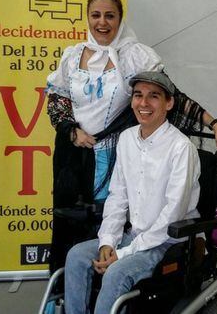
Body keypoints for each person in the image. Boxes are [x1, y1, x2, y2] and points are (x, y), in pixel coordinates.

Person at [46, 0, 217, 272]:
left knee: (108, 218)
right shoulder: (72, 56)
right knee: (69, 225)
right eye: (95, 15)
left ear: (120, 20)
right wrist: (72, 130)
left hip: (110, 154)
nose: (102, 22)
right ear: (87, 18)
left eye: (110, 16)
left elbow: (171, 96)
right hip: (74, 155)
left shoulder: (132, 55)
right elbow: (57, 98)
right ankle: (68, 289)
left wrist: (213, 123)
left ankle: (110, 280)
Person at [64, 71, 201, 314]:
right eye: (138, 95)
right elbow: (118, 195)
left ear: (169, 103)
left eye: (154, 96)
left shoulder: (182, 148)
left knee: (116, 273)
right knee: (76, 256)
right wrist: (108, 240)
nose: (144, 103)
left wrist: (124, 253)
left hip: (166, 243)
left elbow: (173, 214)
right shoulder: (127, 138)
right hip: (134, 235)